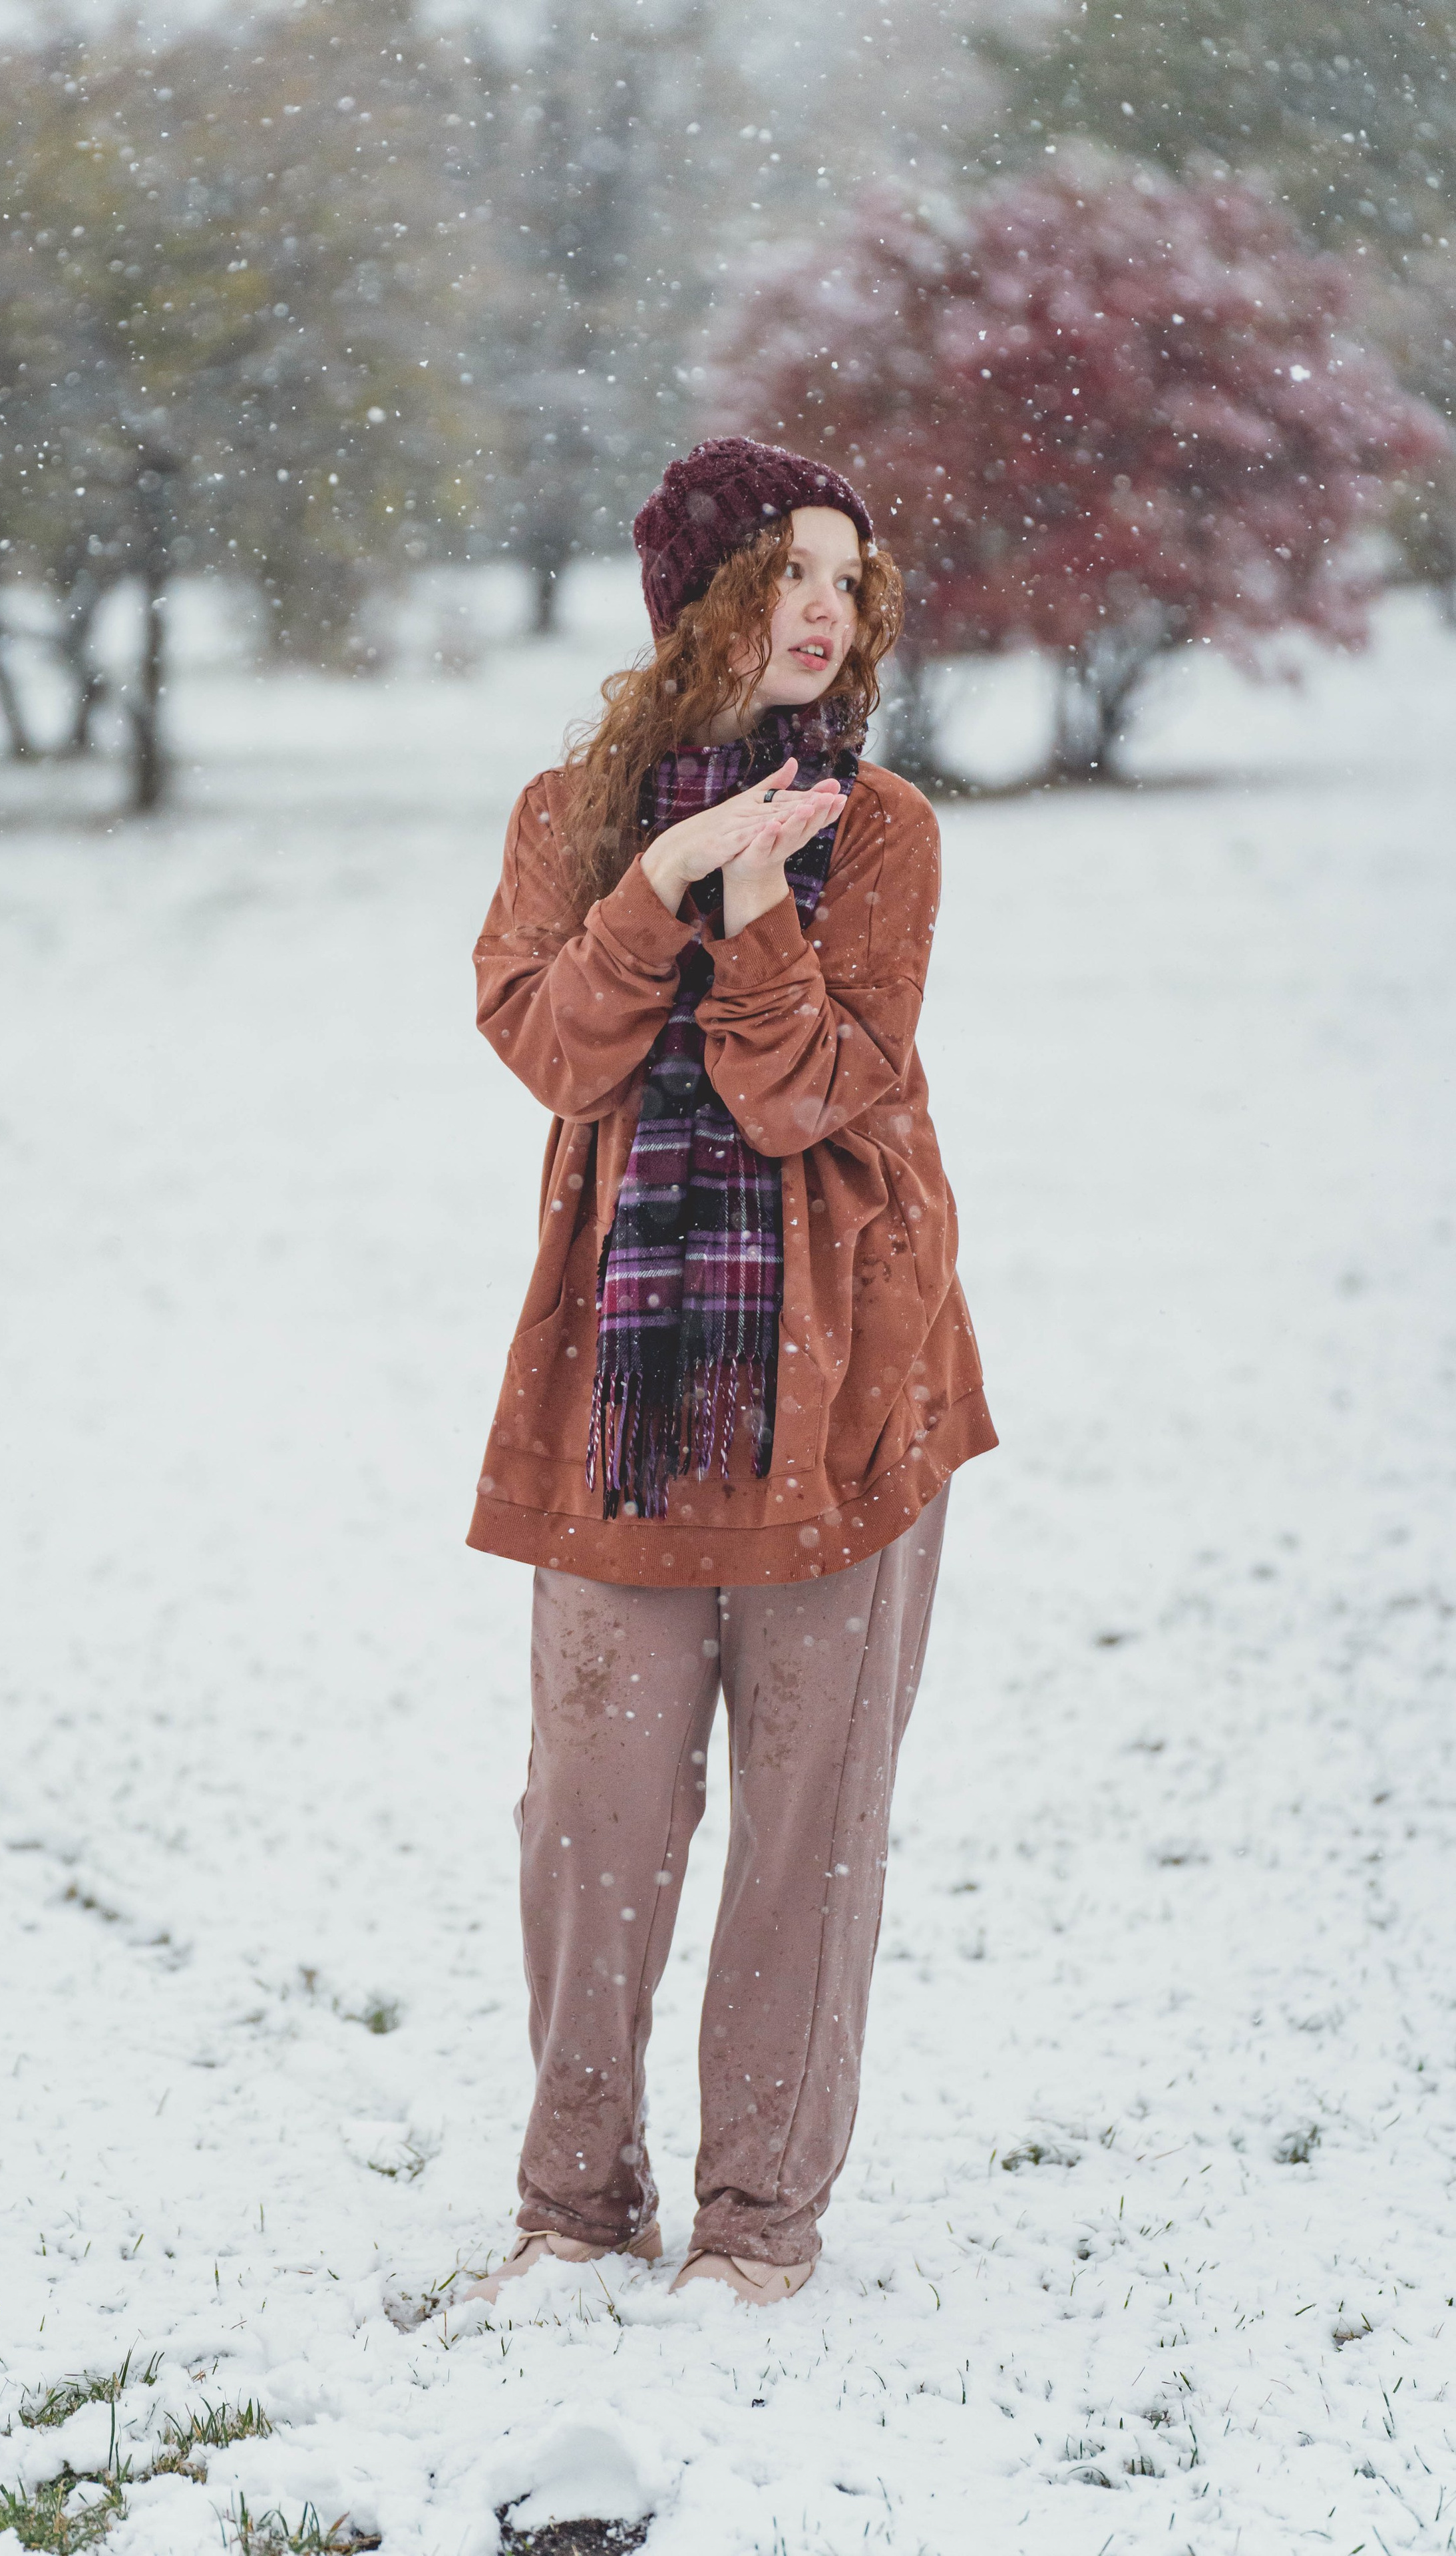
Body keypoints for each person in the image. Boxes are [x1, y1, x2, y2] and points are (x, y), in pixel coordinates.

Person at [463, 436, 996, 2307]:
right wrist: (667, 871)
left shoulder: (891, 835)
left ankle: (759, 2231)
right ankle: (573, 2208)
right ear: (700, 604)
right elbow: (549, 1046)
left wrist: (758, 899)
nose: (825, 611)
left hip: (845, 1387)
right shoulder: (566, 816)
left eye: (847, 580)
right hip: (620, 1393)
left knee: (811, 1827)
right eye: (787, 572)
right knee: (588, 1817)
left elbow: (807, 1088)